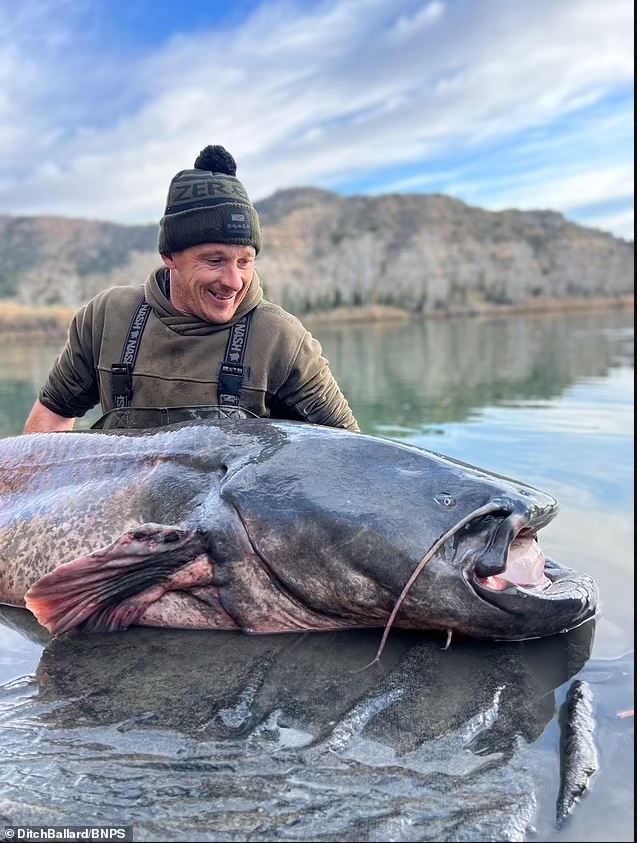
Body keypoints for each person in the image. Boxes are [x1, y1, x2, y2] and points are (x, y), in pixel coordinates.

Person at [23, 145, 359, 433]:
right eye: (215, 261)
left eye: (245, 261)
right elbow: (51, 418)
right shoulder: (107, 317)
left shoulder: (280, 338)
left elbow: (351, 455)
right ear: (169, 255)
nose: (234, 281)